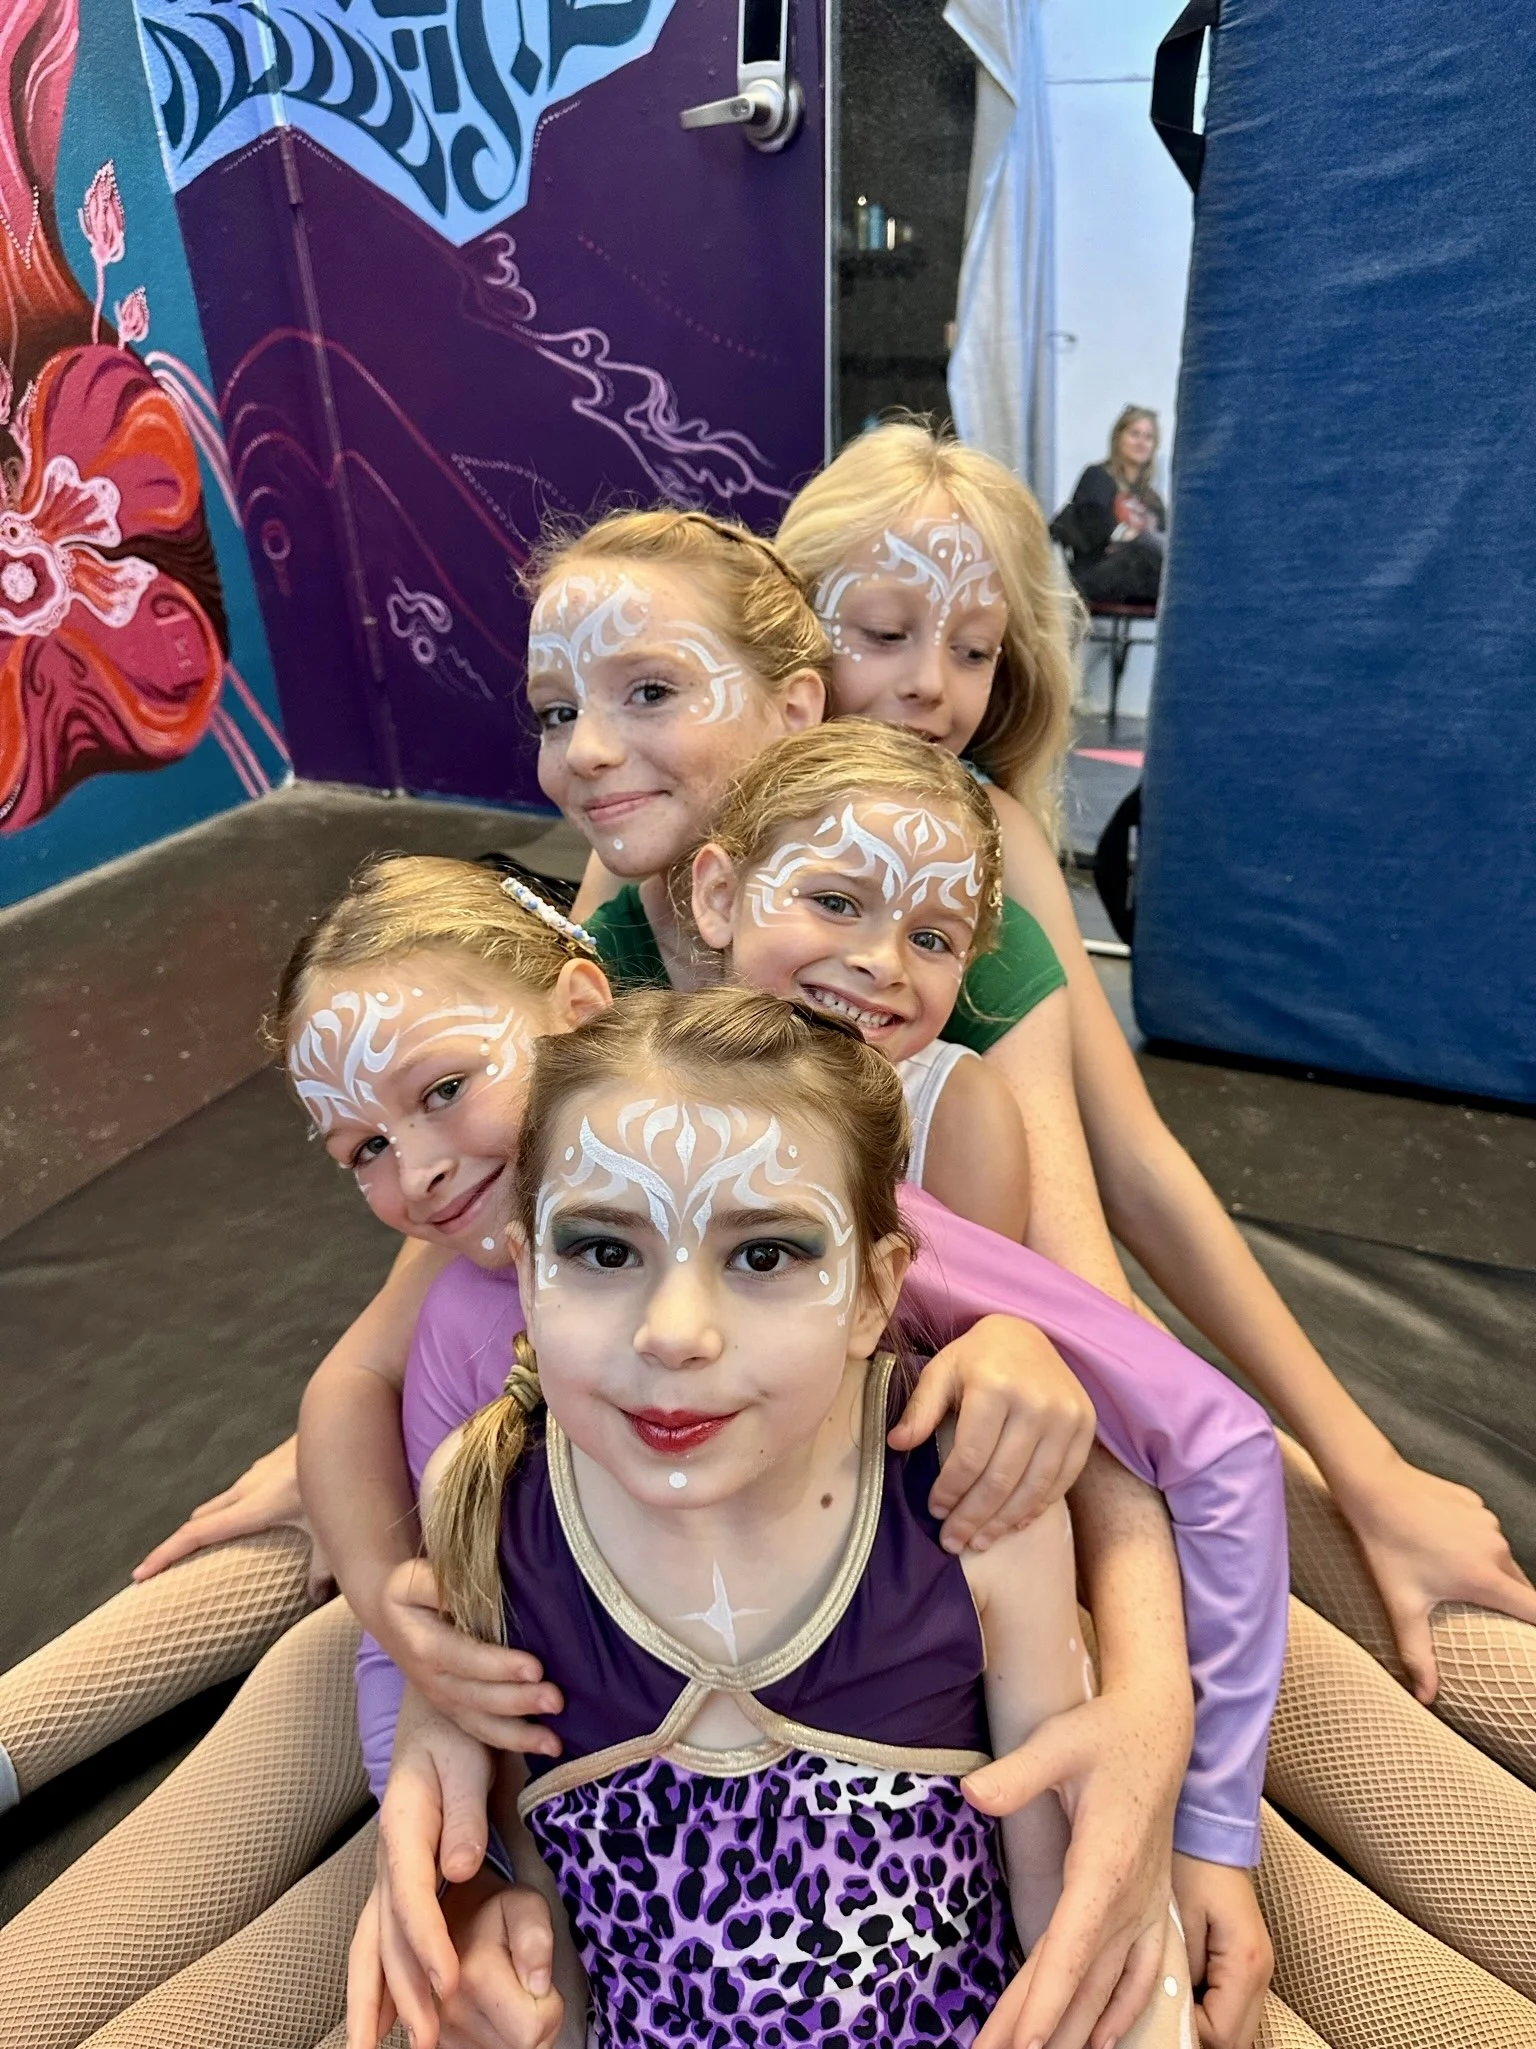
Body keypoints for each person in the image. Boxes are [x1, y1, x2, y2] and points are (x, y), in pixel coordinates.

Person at [775, 420, 1536, 1713]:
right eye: (885, 633)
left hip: (1017, 1376)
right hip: (827, 1432)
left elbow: (1124, 1182)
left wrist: (1362, 1468)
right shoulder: (696, 840)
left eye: (973, 650)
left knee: (1401, 1618)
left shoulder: (987, 838)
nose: (929, 689)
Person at [351, 989, 1201, 2049]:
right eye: (605, 1251)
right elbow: (538, 1932)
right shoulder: (487, 1505)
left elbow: (1070, 1905)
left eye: (763, 1256)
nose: (674, 1333)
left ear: (872, 1293)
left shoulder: (967, 1492)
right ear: (526, 1273)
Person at [691, 718, 1032, 1238]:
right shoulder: (645, 1076)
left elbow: (994, 1290)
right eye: (835, 903)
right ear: (722, 896)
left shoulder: (959, 1113)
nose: (884, 963)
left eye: (930, 940)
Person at [1050, 406, 1167, 608]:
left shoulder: (1153, 499)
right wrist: (1133, 539)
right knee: (1145, 546)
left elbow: (1164, 540)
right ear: (1118, 438)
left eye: (1148, 437)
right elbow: (1095, 523)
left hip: (1143, 578)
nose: (1141, 442)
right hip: (1097, 572)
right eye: (1134, 434)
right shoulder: (1097, 477)